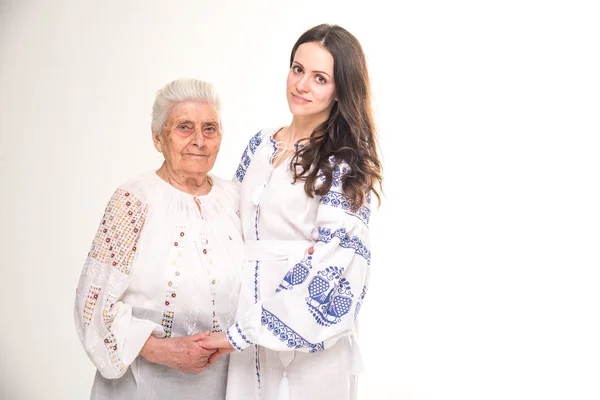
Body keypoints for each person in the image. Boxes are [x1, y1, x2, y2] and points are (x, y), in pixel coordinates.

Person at [201, 24, 383, 400]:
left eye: (320, 78)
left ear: (340, 90)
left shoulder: (343, 163)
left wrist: (244, 331)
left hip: (303, 340)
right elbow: (231, 226)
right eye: (298, 69)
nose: (302, 85)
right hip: (244, 326)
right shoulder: (259, 144)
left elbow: (336, 262)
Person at [73, 78, 244, 399]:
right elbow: (91, 304)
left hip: (224, 383)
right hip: (143, 383)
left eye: (210, 128)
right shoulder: (133, 201)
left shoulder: (235, 199)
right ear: (157, 138)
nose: (199, 140)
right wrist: (159, 350)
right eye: (184, 127)